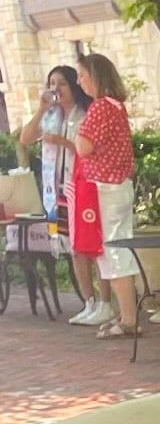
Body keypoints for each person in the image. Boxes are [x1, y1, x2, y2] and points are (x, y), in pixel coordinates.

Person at [18, 65, 107, 325]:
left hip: (83, 186)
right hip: (57, 189)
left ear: (74, 86)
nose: (56, 88)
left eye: (62, 83)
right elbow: (25, 138)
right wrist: (42, 108)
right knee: (75, 248)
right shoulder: (51, 115)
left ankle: (106, 302)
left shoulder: (87, 112)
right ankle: (88, 302)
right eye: (52, 83)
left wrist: (64, 143)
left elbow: (95, 151)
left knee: (93, 246)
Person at [73, 54, 140, 339]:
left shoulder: (100, 108)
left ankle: (128, 319)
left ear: (95, 76)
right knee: (116, 250)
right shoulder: (116, 106)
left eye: (82, 75)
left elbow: (83, 147)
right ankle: (127, 315)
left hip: (105, 189)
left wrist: (78, 134)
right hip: (117, 185)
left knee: (113, 251)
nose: (79, 81)